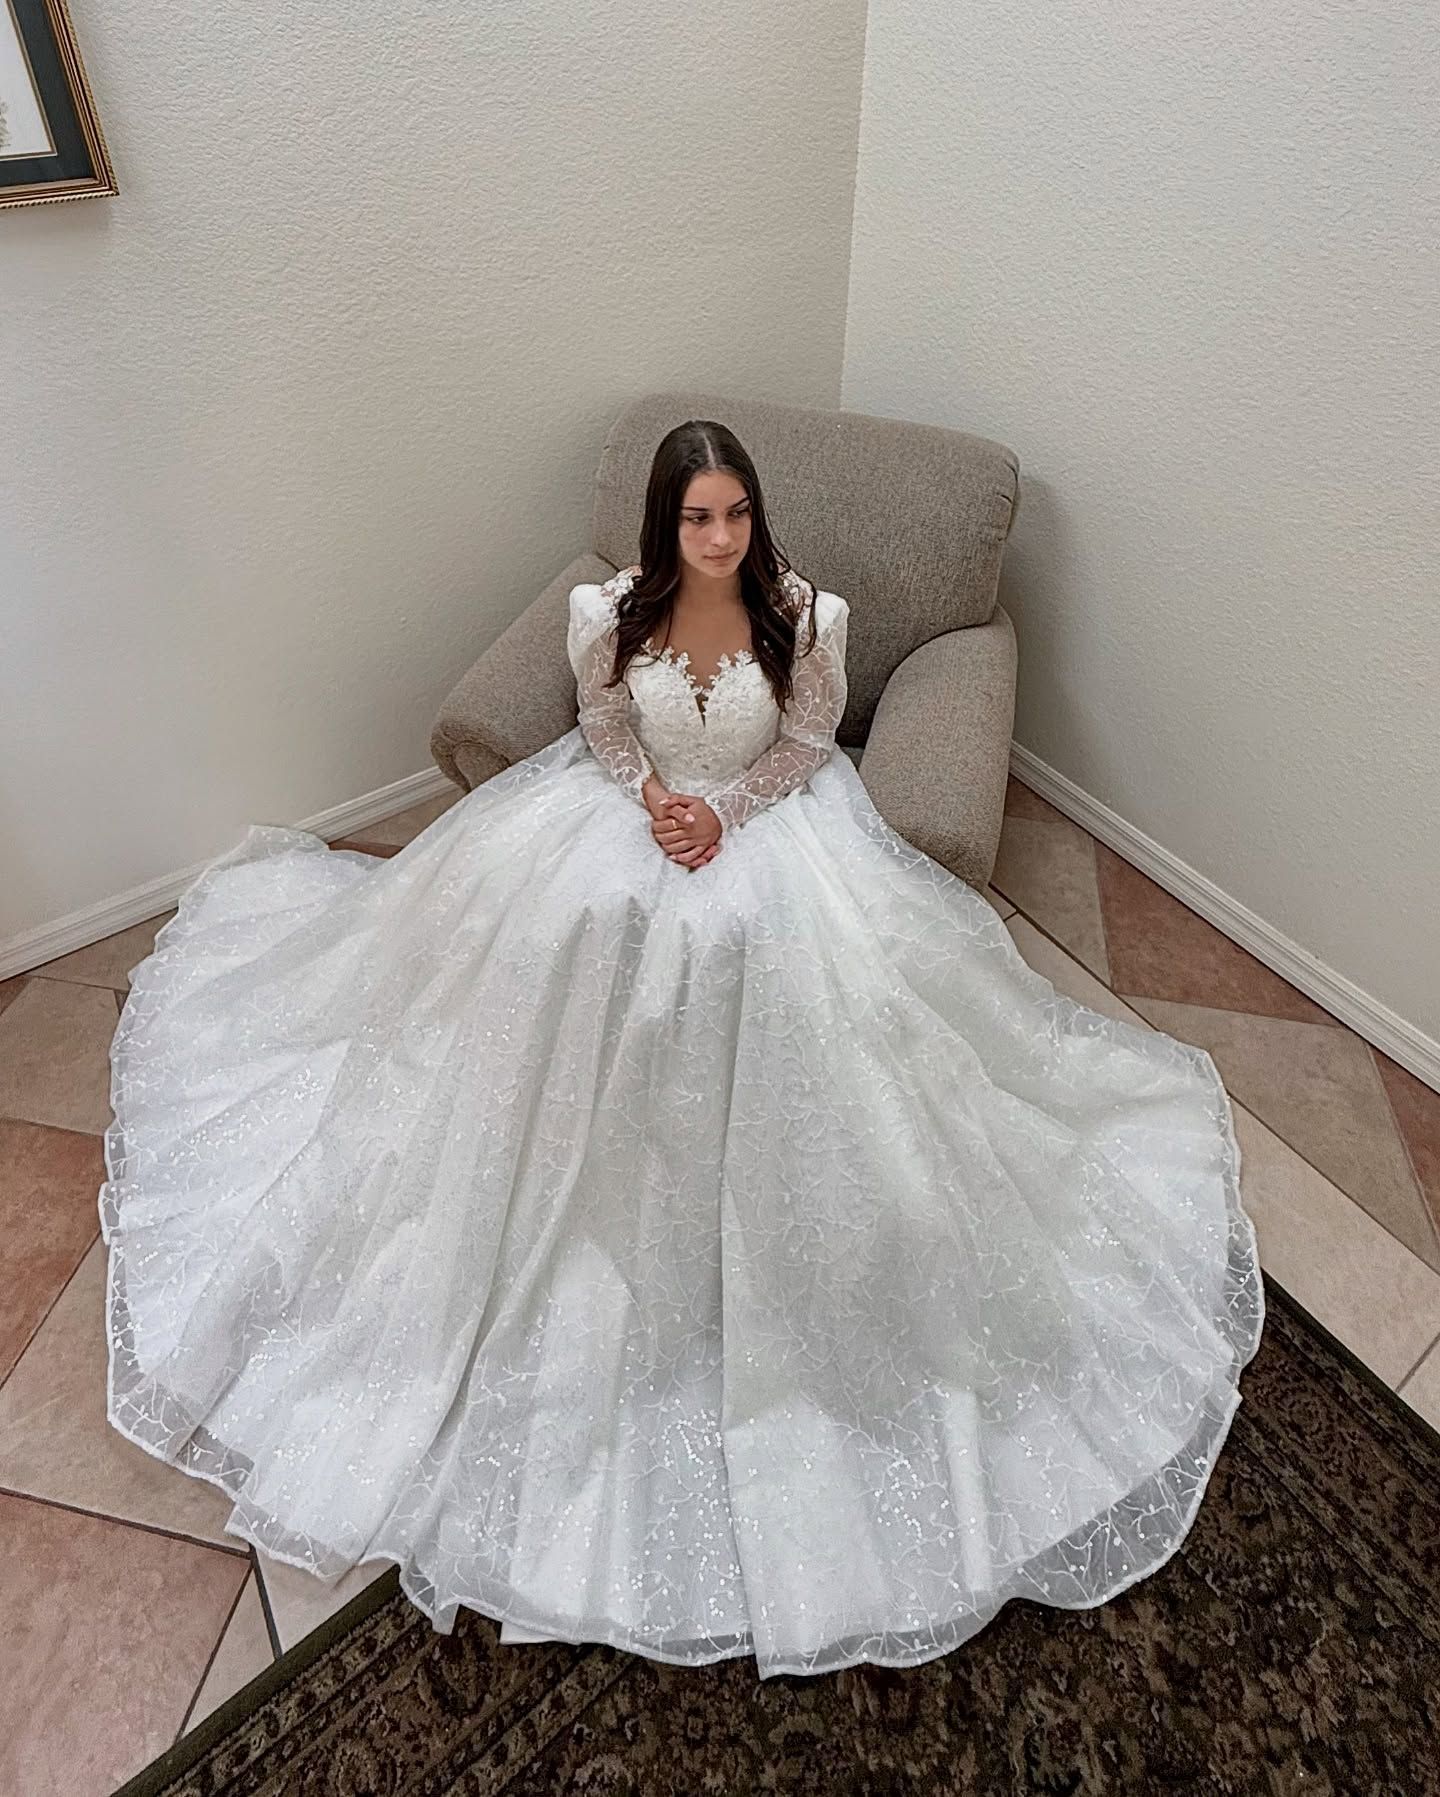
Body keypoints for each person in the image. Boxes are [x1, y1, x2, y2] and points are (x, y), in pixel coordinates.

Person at [99, 418, 1265, 1682]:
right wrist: (650, 797)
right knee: (568, 944)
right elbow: (604, 726)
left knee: (797, 989)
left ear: (757, 517)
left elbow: (811, 746)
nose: (720, 539)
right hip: (619, 823)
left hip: (774, 834)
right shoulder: (607, 610)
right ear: (665, 526)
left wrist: (725, 809)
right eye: (697, 519)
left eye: (737, 515)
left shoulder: (811, 616)